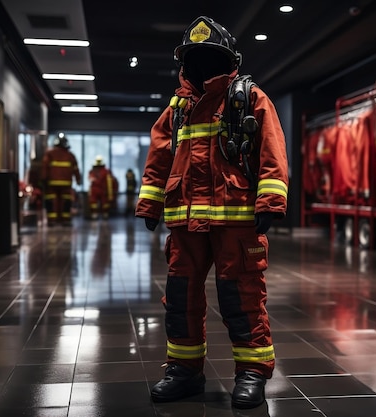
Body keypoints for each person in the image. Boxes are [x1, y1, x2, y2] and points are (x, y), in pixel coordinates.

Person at [135, 16, 288, 409]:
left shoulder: (250, 98)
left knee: (242, 297)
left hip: (236, 221)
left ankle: (252, 373)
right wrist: (150, 204)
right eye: (195, 57)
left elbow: (272, 152)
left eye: (209, 56)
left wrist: (270, 202)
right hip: (185, 221)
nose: (202, 64)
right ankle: (184, 371)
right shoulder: (178, 108)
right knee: (181, 298)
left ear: (228, 59)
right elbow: (158, 159)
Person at [41, 133, 82, 226]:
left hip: (51, 183)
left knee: (51, 201)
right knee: (65, 201)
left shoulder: (49, 154)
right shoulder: (70, 155)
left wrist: (43, 180)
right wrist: (78, 180)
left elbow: (44, 167)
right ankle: (65, 220)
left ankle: (52, 221)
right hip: (66, 184)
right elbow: (76, 169)